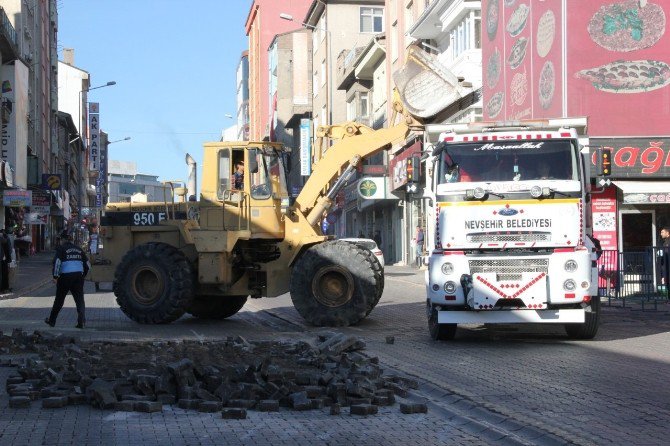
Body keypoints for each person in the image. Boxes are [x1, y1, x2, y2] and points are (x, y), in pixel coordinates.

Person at [45, 230, 90, 329]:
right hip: (78, 276)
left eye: (60, 239)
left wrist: (55, 277)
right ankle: (81, 322)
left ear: (62, 239)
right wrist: (83, 275)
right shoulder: (79, 249)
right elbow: (88, 265)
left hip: (65, 277)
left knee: (59, 300)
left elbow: (57, 263)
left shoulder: (61, 249)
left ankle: (52, 321)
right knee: (79, 300)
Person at [658, 226, 670, 298]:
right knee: (667, 283)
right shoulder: (665, 242)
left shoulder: (668, 241)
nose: (661, 234)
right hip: (666, 265)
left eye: (662, 232)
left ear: (667, 233)